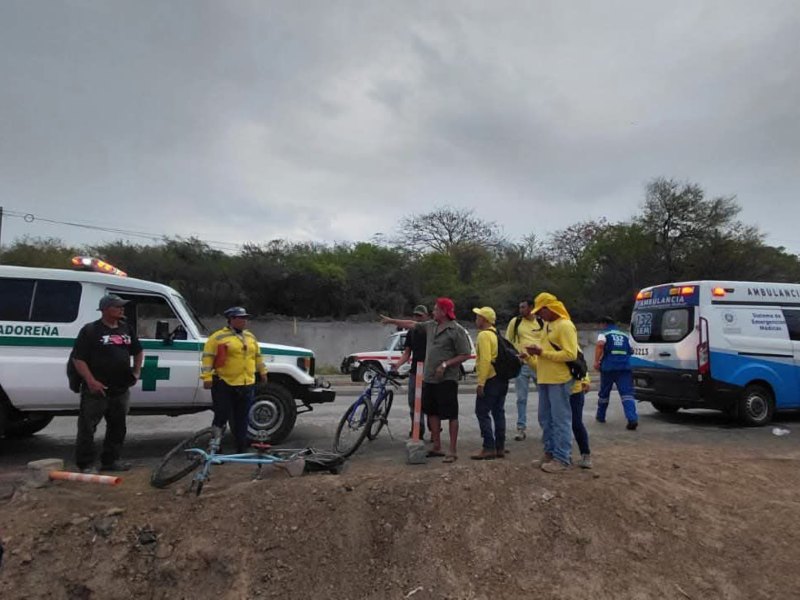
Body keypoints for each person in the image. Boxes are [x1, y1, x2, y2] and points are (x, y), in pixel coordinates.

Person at [381, 298, 471, 462]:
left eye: (436, 309)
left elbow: (465, 354)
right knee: (431, 412)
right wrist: (392, 321)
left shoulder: (456, 331)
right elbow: (411, 324)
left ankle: (452, 450)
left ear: (444, 312)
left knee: (451, 414)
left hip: (447, 379)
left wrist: (445, 364)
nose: (433, 312)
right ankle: (437, 446)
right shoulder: (431, 326)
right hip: (429, 378)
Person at [72, 294, 143, 474]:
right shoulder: (91, 330)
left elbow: (138, 350)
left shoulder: (126, 328)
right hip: (97, 389)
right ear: (105, 310)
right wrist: (91, 381)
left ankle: (111, 461)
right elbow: (78, 359)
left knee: (118, 426)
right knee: (88, 427)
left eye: (122, 306)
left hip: (120, 388)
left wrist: (136, 372)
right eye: (117, 306)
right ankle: (86, 464)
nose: (122, 309)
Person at [201, 306, 268, 452]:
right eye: (240, 318)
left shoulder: (250, 337)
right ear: (231, 319)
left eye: (245, 318)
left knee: (242, 418)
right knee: (221, 417)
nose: (244, 321)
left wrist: (262, 371)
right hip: (225, 383)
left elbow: (257, 356)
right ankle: (215, 449)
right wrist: (206, 377)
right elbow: (207, 358)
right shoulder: (218, 337)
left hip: (246, 383)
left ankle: (241, 448)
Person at [526, 292, 578, 474]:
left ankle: (562, 458)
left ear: (549, 308)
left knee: (560, 419)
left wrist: (542, 354)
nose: (539, 315)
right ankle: (549, 452)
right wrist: (533, 354)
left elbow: (571, 354)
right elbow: (546, 350)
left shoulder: (565, 326)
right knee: (545, 418)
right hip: (545, 378)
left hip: (559, 379)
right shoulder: (547, 325)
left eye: (541, 311)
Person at [471, 306, 509, 460]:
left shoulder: (484, 336)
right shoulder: (496, 334)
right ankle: (500, 446)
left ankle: (488, 447)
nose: (476, 319)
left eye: (478, 316)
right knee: (498, 412)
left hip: (490, 379)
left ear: (484, 320)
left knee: (482, 412)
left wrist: (481, 383)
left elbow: (485, 359)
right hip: (501, 379)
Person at [505, 298, 544, 441]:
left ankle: (545, 428)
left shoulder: (541, 322)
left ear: (532, 307)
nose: (521, 310)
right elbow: (507, 342)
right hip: (522, 364)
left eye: (523, 307)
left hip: (539, 364)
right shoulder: (515, 322)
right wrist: (515, 357)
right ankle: (521, 428)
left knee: (544, 397)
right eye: (519, 307)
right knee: (521, 398)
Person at [391, 304, 430, 438]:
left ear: (427, 316)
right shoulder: (411, 333)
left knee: (430, 403)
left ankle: (434, 431)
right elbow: (407, 353)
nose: (418, 318)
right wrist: (397, 365)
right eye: (416, 316)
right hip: (415, 371)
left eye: (420, 316)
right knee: (413, 402)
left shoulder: (431, 330)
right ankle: (417, 429)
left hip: (430, 371)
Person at [593, 316, 638, 430]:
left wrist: (597, 361)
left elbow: (600, 345)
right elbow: (631, 350)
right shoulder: (624, 335)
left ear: (604, 324)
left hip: (608, 367)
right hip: (624, 367)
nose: (600, 326)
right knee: (627, 394)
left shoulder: (604, 333)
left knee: (604, 393)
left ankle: (601, 416)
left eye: (600, 324)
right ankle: (632, 418)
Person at [570, 374, 592, 469]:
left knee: (576, 424)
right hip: (559, 390)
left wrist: (586, 381)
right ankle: (562, 455)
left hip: (575, 390)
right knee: (560, 424)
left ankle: (585, 455)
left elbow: (581, 365)